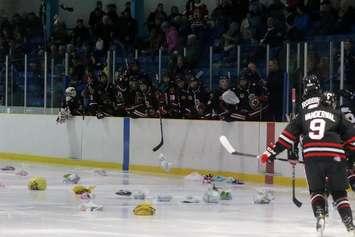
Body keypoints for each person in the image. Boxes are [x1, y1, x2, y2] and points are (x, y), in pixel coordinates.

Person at [258, 92, 355, 234]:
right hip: (335, 155)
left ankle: (320, 216)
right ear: (333, 104)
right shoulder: (337, 114)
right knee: (339, 194)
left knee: (316, 191)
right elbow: (352, 142)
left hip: (311, 155)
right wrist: (349, 160)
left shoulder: (304, 114)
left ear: (320, 102)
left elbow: (287, 138)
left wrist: (270, 153)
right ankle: (350, 225)